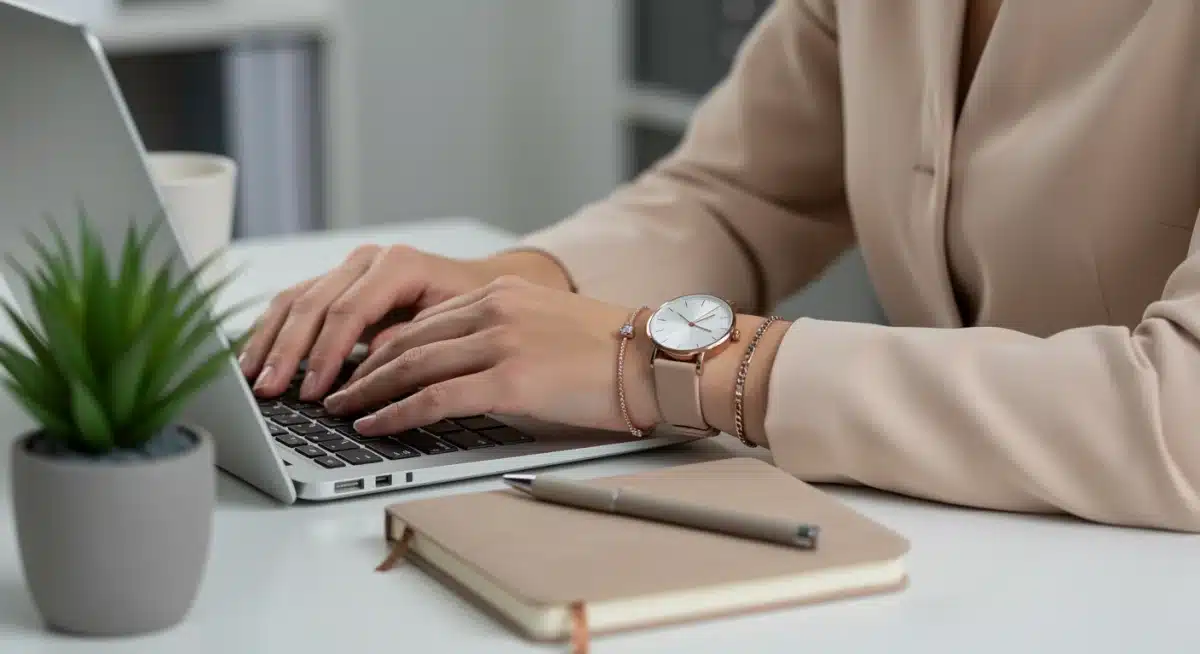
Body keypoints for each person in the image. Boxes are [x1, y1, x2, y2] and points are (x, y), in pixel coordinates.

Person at [239, 1, 1200, 532]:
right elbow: (740, 192)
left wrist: (673, 367)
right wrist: (522, 284)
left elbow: (1183, 407)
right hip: (970, 549)